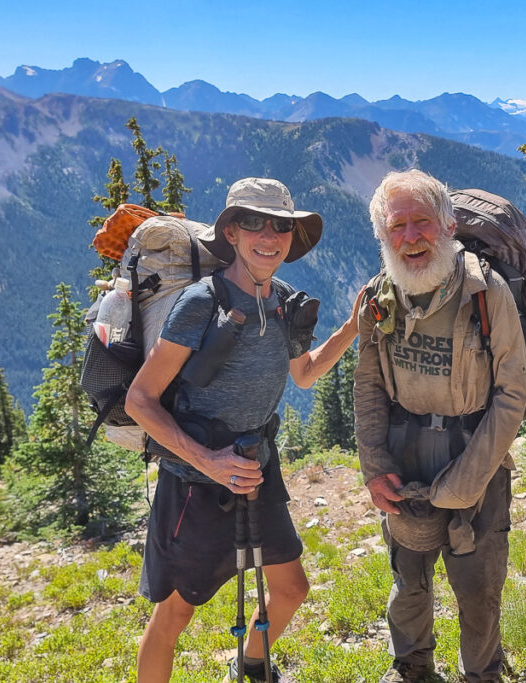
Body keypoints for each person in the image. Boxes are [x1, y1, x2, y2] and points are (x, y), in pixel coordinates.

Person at [126, 177, 363, 683]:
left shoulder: (283, 302)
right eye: (253, 222)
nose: (269, 235)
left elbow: (302, 374)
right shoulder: (200, 303)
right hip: (194, 481)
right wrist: (207, 460)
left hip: (257, 470)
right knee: (174, 614)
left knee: (291, 589)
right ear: (231, 232)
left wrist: (350, 328)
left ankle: (251, 663)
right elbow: (140, 400)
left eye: (280, 225)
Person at [354, 170, 526, 683]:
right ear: (383, 236)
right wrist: (374, 467)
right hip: (402, 462)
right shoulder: (378, 297)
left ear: (448, 225)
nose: (411, 238)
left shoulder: (485, 292)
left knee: (478, 588)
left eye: (422, 222)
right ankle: (411, 670)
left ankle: (482, 675)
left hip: (477, 456)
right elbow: (367, 387)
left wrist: (465, 482)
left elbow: (512, 393)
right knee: (407, 583)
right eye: (397, 227)